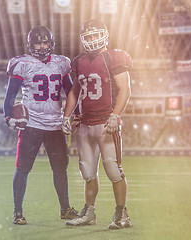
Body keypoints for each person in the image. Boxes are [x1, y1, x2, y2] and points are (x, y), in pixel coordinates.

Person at [3, 25, 78, 225]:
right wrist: (7, 117)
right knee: (23, 168)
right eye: (38, 42)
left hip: (55, 123)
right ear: (31, 44)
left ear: (51, 43)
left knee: (60, 168)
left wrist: (73, 116)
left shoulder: (61, 64)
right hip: (32, 124)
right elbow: (10, 95)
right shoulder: (22, 64)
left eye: (45, 42)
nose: (42, 46)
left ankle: (65, 209)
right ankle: (17, 212)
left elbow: (72, 92)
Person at [61, 19, 132, 229]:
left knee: (113, 170)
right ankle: (89, 212)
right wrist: (67, 116)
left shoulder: (114, 57)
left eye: (95, 35)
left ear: (104, 36)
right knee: (88, 172)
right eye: (88, 36)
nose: (92, 40)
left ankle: (122, 215)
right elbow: (75, 91)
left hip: (106, 123)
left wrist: (115, 115)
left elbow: (125, 89)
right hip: (85, 124)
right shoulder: (79, 61)